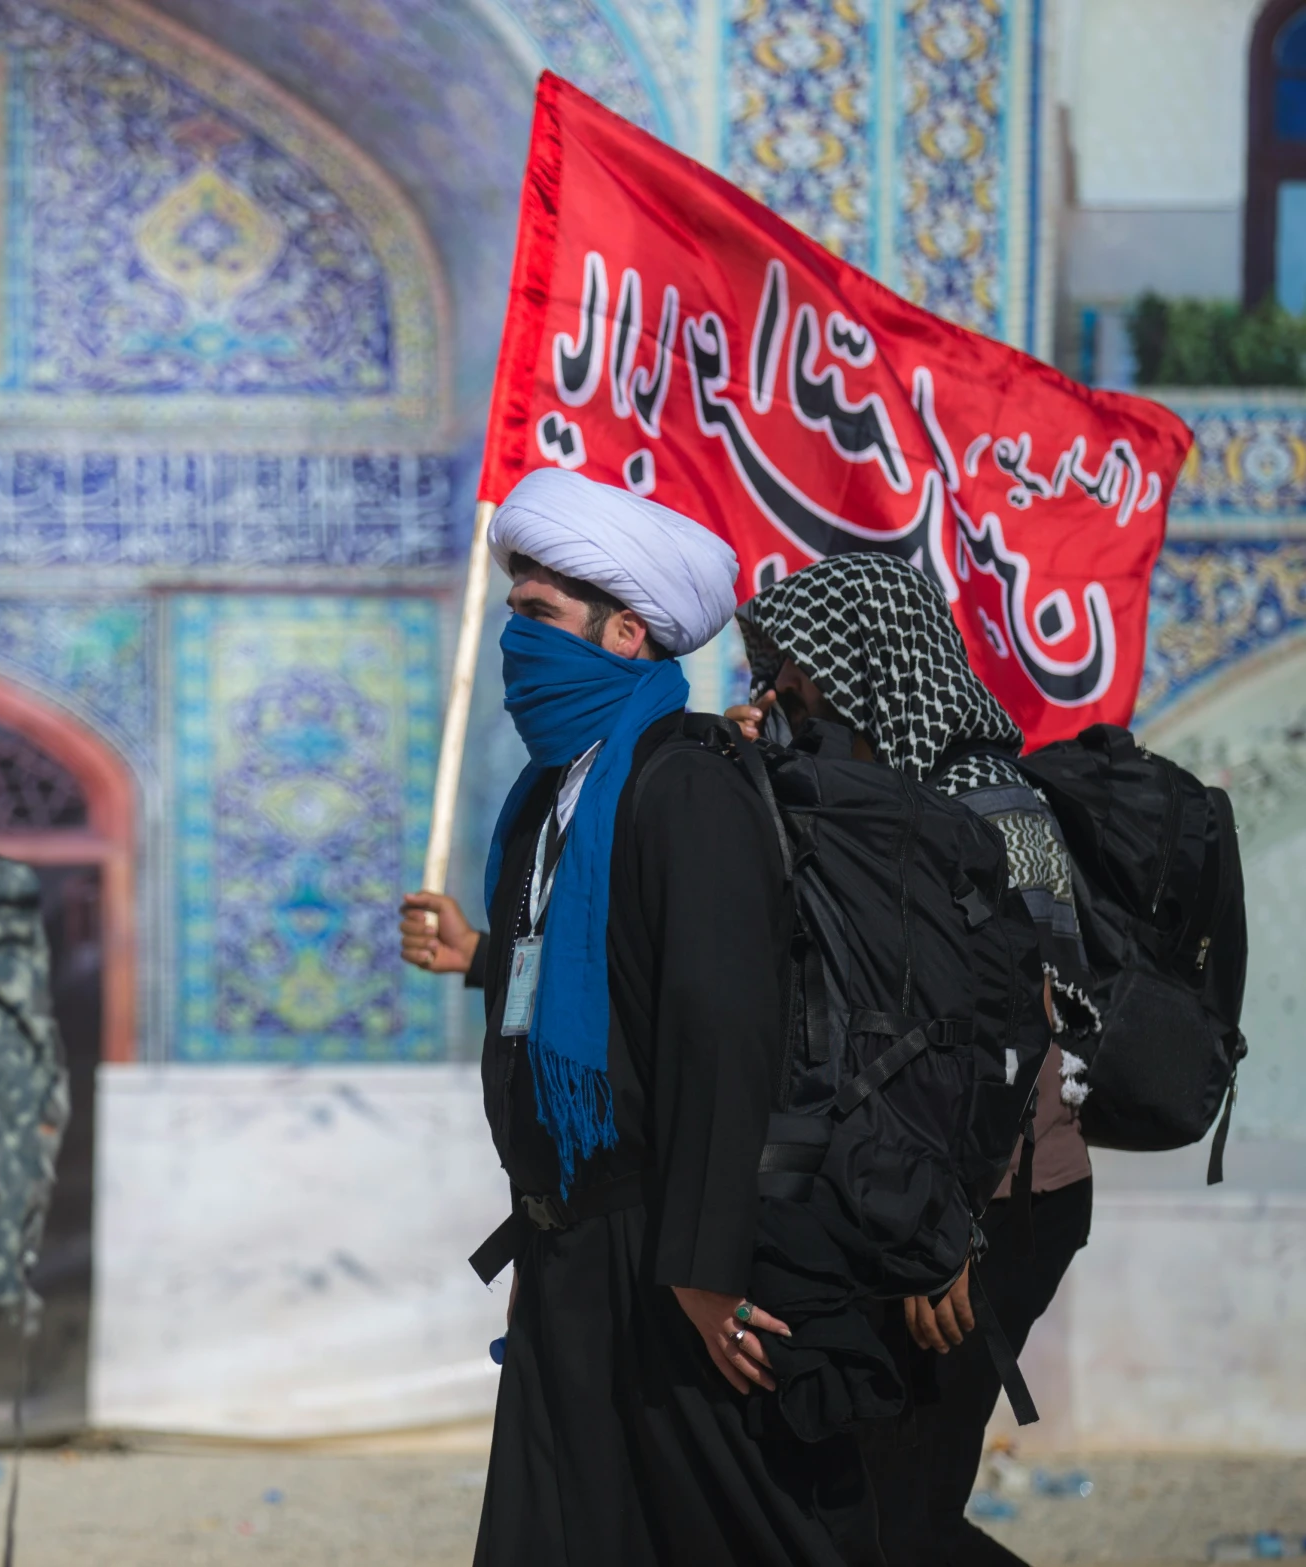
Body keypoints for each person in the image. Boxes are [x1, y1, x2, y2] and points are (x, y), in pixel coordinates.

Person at [401, 469, 878, 1566]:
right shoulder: (545, 802)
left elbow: (721, 1028)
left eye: (537, 617)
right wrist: (481, 962)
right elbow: (580, 986)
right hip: (566, 1241)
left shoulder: (683, 785)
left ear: (624, 634)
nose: (515, 644)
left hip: (663, 1252)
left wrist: (704, 1266)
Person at [727, 552, 1094, 1567]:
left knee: (900, 1519)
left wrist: (945, 1237)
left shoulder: (984, 808)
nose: (769, 695)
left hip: (990, 1207)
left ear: (861, 670)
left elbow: (1005, 1047)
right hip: (907, 1199)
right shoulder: (861, 809)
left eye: (789, 674)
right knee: (864, 1509)